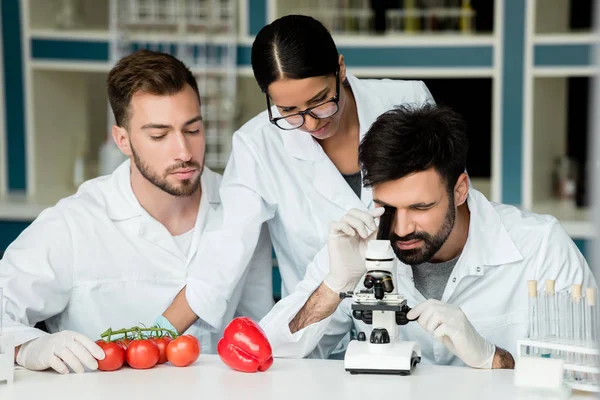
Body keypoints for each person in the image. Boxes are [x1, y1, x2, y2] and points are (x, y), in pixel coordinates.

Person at [259, 104, 597, 368]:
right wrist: (333, 285)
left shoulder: (541, 248)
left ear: (460, 189)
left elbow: (582, 380)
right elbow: (268, 354)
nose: (401, 228)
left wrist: (493, 358)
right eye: (388, 206)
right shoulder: (362, 240)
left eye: (420, 207)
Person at [159, 15, 434, 338]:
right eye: (289, 111)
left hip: (415, 326)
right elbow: (223, 252)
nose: (311, 123)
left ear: (340, 69)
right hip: (317, 335)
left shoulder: (408, 102)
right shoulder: (259, 144)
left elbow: (445, 209)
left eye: (320, 101)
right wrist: (153, 335)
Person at [0, 50, 273, 374]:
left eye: (192, 130)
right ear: (123, 140)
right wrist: (29, 347)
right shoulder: (74, 225)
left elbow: (259, 328)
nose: (184, 152)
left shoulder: (239, 209)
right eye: (159, 135)